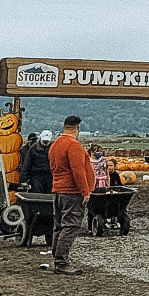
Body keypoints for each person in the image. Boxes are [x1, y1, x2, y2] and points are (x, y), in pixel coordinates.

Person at [48, 115, 94, 275]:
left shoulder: (55, 145)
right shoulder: (73, 145)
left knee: (60, 226)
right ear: (77, 128)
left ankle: (57, 257)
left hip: (58, 190)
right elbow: (78, 170)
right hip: (72, 192)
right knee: (71, 226)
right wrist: (85, 191)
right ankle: (61, 262)